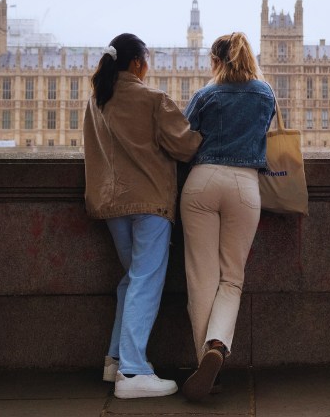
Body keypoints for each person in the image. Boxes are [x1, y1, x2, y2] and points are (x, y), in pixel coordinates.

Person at [83, 33, 203, 399]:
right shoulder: (152, 99)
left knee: (131, 280)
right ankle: (134, 373)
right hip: (148, 203)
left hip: (111, 204)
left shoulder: (96, 101)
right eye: (147, 61)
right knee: (146, 282)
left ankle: (115, 360)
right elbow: (186, 145)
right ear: (137, 63)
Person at [179, 32, 274, 401]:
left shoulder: (206, 95)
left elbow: (184, 139)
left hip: (202, 183)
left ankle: (205, 363)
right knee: (231, 278)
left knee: (201, 279)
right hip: (245, 187)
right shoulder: (265, 93)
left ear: (216, 61)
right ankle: (217, 345)